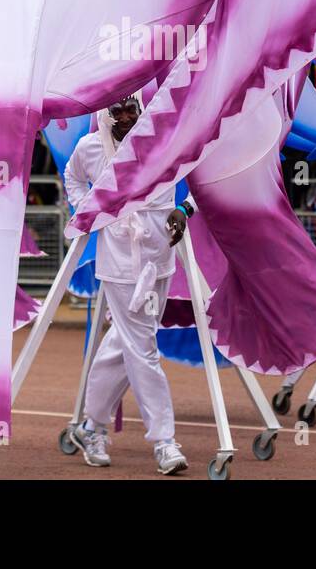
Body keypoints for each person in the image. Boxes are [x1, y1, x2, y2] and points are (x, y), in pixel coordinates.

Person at [64, 95, 192, 475]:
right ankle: (164, 440)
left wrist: (185, 210)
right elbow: (72, 177)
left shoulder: (164, 140)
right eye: (116, 111)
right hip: (119, 265)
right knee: (143, 348)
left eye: (130, 110)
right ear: (105, 115)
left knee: (126, 342)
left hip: (159, 263)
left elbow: (198, 184)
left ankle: (91, 426)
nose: (124, 118)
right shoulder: (89, 148)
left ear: (140, 110)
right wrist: (87, 212)